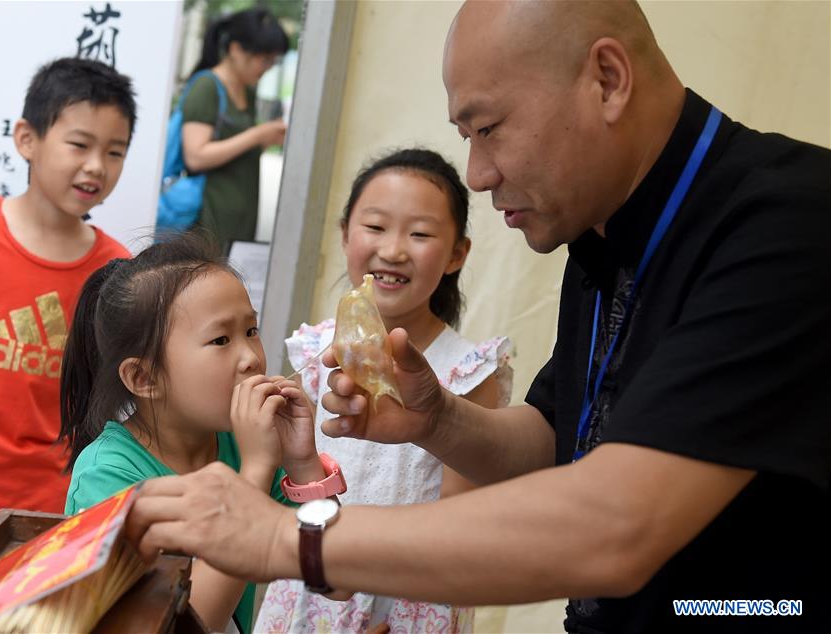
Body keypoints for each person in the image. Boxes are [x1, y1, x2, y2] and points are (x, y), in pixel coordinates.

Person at [125, 2, 831, 633]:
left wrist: (286, 538)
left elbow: (617, 524)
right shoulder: (601, 237)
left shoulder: (790, 223)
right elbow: (554, 439)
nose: (479, 172)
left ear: (608, 79)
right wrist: (437, 420)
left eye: (488, 128)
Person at [255, 148, 514, 633]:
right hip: (309, 593)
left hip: (411, 604)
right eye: (375, 226)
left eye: (420, 234)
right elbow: (292, 479)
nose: (393, 250)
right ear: (345, 234)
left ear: (457, 254)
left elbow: (460, 525)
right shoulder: (314, 354)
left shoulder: (468, 372)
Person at [60, 234, 327, 634]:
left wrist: (303, 462)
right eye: (220, 340)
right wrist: (255, 472)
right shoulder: (107, 474)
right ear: (144, 377)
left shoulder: (246, 445)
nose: (251, 358)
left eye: (251, 330)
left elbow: (333, 578)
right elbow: (188, 624)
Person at [0, 57, 135, 573]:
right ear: (27, 139)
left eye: (115, 152)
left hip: (43, 514)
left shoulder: (117, 273)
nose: (97, 166)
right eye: (79, 144)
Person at [181, 8, 289, 255]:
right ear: (236, 49)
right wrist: (257, 135)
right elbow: (196, 156)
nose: (268, 68)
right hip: (206, 223)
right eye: (265, 60)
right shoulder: (206, 86)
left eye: (273, 61)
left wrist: (267, 138)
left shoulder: (247, 91)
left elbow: (235, 151)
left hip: (238, 224)